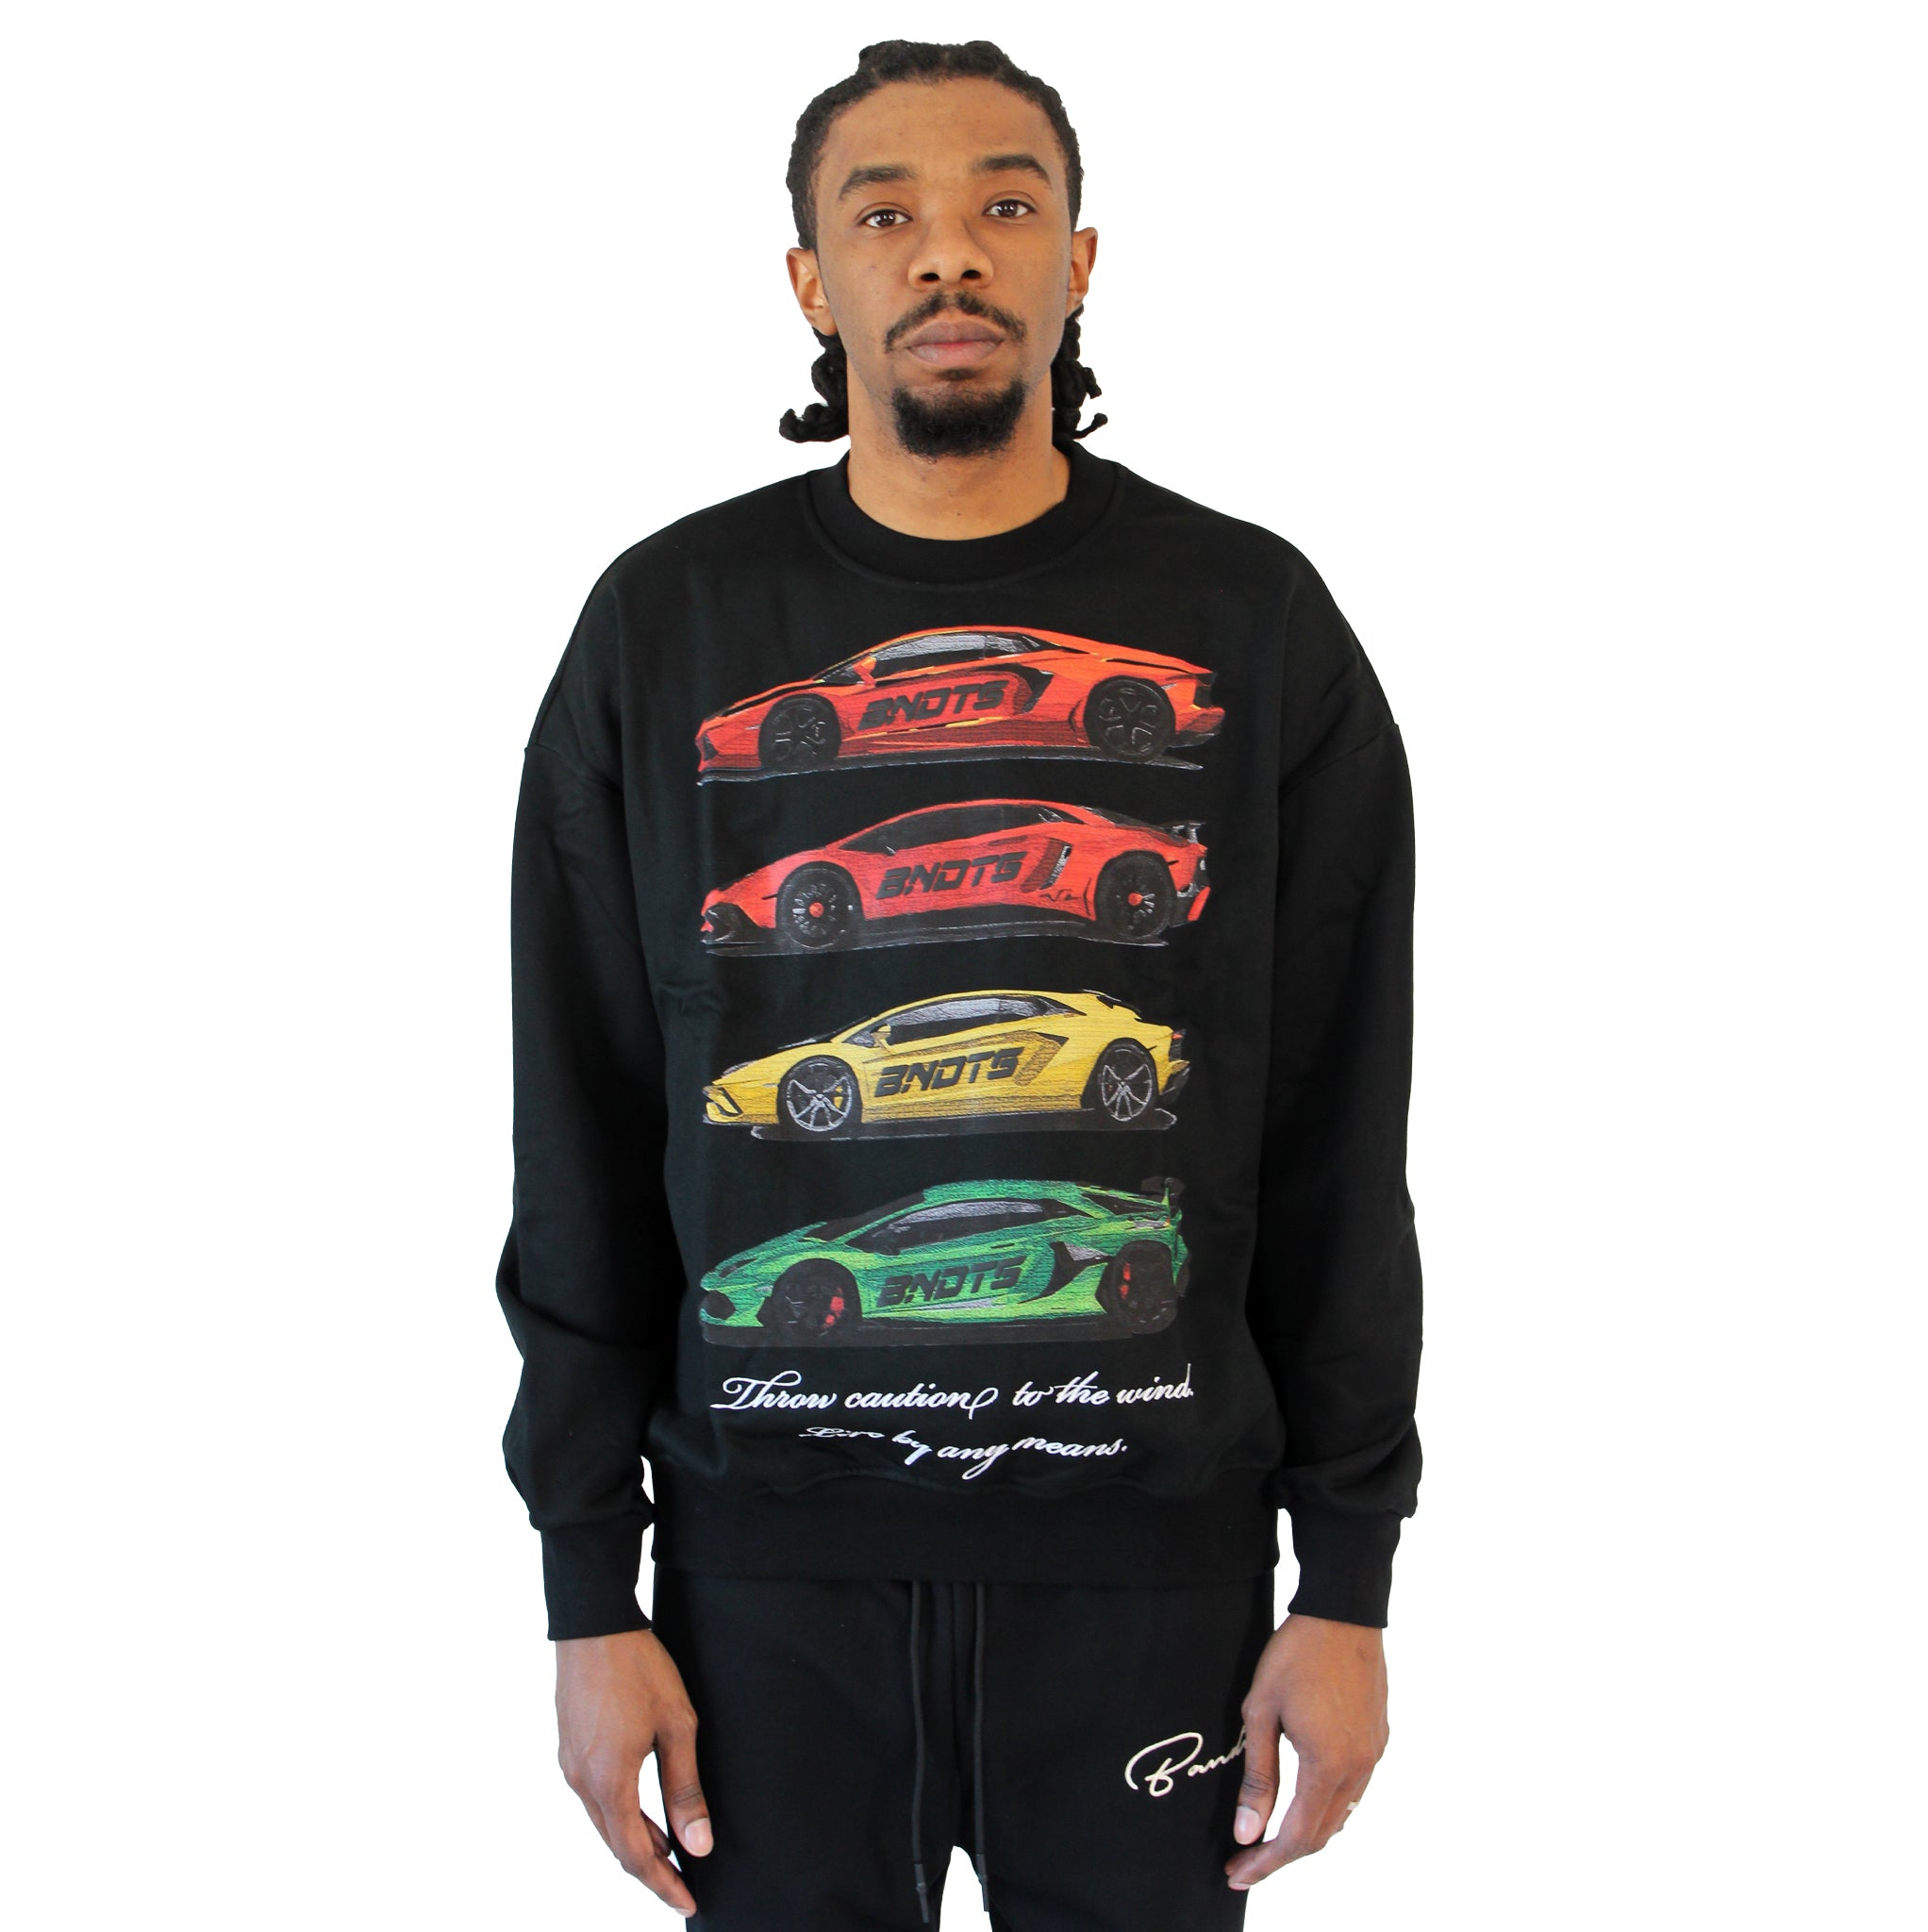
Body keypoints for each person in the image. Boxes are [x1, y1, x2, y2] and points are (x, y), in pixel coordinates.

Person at [496, 38, 1422, 1929]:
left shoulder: (1250, 620)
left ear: (1078, 263)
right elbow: (580, 1119)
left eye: (1006, 204)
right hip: (762, 1587)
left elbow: (1339, 1118)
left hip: (1152, 1575)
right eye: (884, 213)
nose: (948, 254)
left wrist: (1346, 1580)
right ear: (810, 282)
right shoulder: (668, 626)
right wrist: (589, 1588)